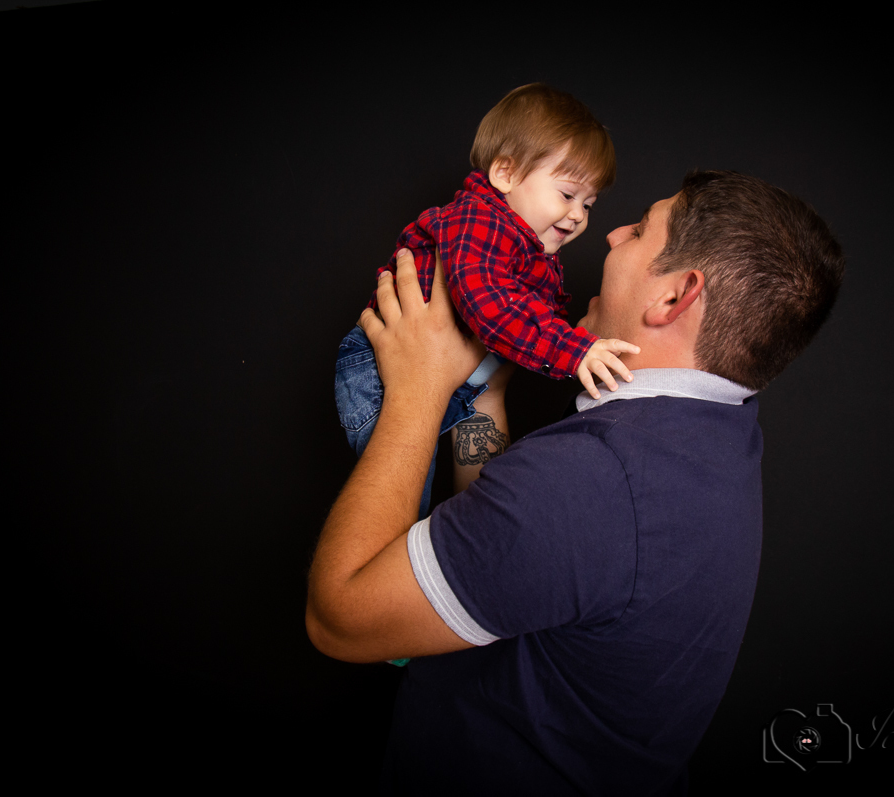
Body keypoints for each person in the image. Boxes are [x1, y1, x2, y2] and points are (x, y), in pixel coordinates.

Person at [307, 170, 845, 794]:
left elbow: (340, 620)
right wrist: (484, 398)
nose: (610, 232)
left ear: (674, 297)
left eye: (641, 230)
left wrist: (419, 388)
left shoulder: (595, 482)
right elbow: (499, 542)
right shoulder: (712, 427)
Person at [334, 84, 638, 524]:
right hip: (379, 370)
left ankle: (470, 540)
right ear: (506, 174)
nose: (577, 216)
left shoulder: (529, 248)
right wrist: (574, 350)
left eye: (588, 205)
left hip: (454, 374)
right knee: (397, 511)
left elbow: (517, 322)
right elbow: (488, 305)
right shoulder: (479, 219)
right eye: (568, 194)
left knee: (476, 513)